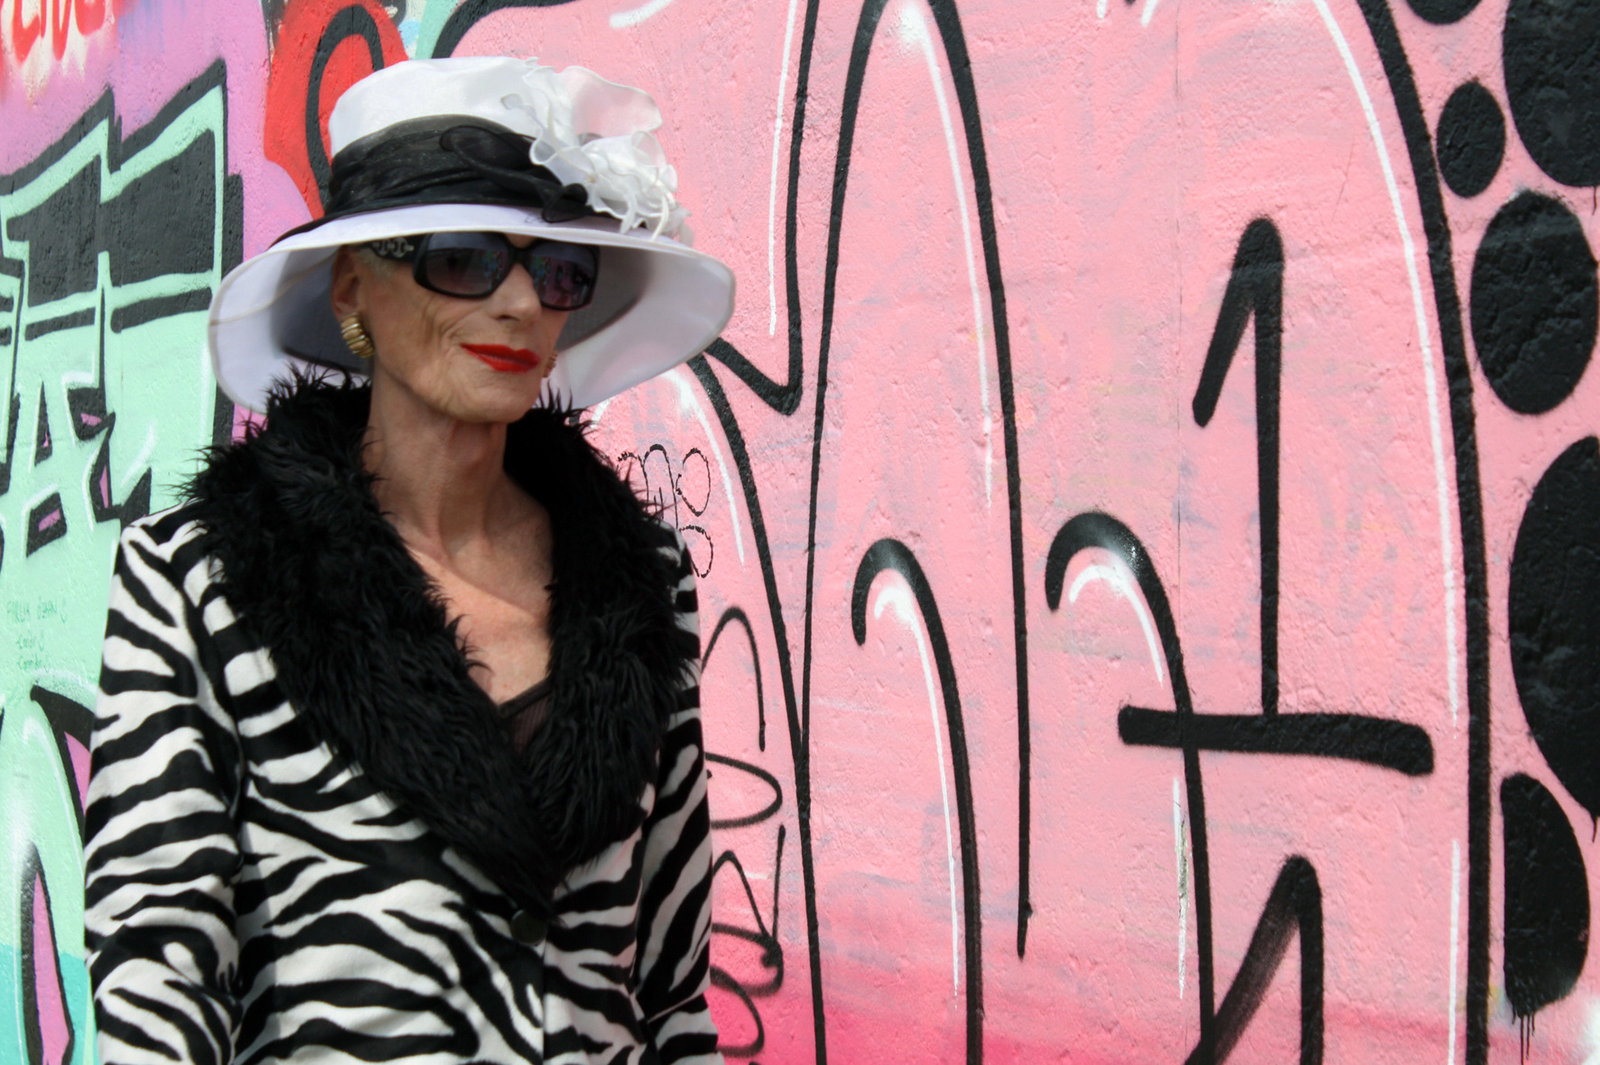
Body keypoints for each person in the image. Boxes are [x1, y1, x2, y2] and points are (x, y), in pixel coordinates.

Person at [83, 56, 734, 1065]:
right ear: (354, 285)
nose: (521, 304)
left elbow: (672, 987)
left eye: (559, 270)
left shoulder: (643, 580)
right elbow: (156, 979)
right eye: (464, 259)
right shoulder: (199, 580)